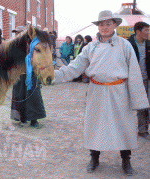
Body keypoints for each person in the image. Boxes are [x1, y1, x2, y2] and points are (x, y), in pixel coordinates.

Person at [54, 10, 149, 176]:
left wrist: (138, 100)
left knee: (123, 126)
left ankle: (126, 159)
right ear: (97, 26)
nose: (104, 27)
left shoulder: (124, 45)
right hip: (96, 91)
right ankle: (94, 157)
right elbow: (74, 67)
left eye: (108, 23)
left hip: (119, 92)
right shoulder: (90, 47)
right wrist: (53, 75)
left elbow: (134, 72)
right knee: (95, 125)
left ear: (114, 25)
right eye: (101, 24)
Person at [10, 26, 46, 128]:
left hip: (32, 74)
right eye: (16, 33)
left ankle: (34, 120)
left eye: (18, 32)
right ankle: (21, 118)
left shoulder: (34, 44)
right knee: (18, 96)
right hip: (18, 75)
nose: (17, 35)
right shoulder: (14, 45)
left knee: (33, 96)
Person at [127, 21, 150, 140]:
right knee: (125, 105)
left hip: (145, 80)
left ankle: (142, 129)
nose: (148, 33)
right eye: (146, 30)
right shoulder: (128, 44)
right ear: (138, 31)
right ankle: (123, 130)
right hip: (130, 80)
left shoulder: (148, 44)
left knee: (143, 105)